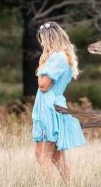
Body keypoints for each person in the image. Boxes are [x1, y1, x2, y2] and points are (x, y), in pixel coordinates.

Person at [32, 21, 86, 181]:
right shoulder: (63, 57)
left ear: (48, 38)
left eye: (42, 39)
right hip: (55, 105)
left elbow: (43, 86)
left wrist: (42, 65)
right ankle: (70, 183)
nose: (41, 43)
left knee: (42, 155)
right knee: (56, 156)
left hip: (48, 109)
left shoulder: (56, 58)